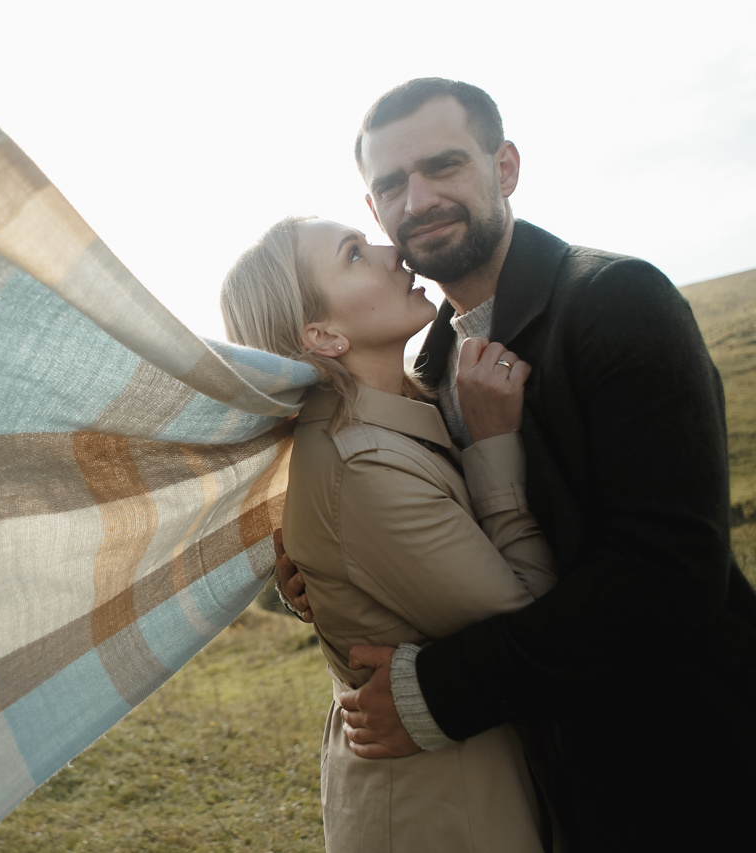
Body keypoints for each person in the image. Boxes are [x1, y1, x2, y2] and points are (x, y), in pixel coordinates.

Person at [276, 78, 756, 850]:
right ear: (375, 209)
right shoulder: (429, 363)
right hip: (544, 778)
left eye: (444, 165)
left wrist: (444, 689)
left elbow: (671, 570)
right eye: (392, 183)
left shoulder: (616, 300)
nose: (419, 197)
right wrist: (332, 569)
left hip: (677, 769)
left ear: (504, 167)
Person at [222, 215, 557, 851]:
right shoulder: (362, 468)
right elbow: (532, 622)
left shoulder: (401, 411)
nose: (390, 250)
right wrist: (495, 444)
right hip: (441, 812)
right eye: (354, 254)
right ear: (321, 335)